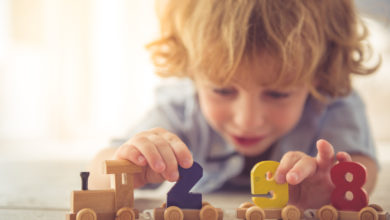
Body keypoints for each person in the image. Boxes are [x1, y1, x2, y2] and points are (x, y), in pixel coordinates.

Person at [88, 0, 380, 209]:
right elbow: (99, 172)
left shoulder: (333, 104)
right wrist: (132, 163)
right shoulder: (180, 109)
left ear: (319, 78)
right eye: (222, 90)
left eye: (277, 94)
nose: (248, 119)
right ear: (192, 72)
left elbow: (362, 167)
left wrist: (330, 187)